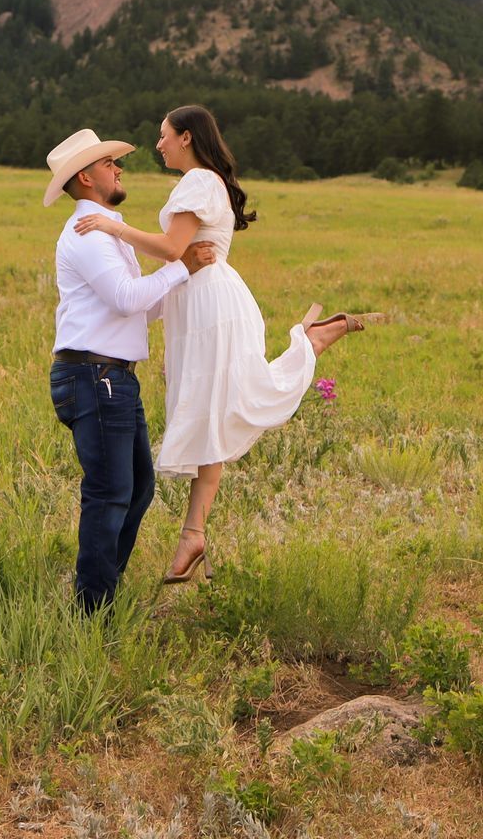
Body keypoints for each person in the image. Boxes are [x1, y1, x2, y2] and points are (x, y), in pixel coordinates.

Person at [74, 105, 364, 583]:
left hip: (210, 305)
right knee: (213, 413)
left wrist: (115, 226)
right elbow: (179, 257)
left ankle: (309, 342)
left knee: (231, 403)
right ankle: (193, 536)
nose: (158, 144)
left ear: (186, 137)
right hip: (195, 306)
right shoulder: (198, 183)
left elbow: (172, 250)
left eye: (164, 136)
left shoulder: (200, 182)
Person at [45, 128, 217, 612]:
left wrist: (188, 279)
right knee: (111, 493)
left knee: (136, 487)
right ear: (86, 176)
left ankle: (101, 595)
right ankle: (91, 611)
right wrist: (180, 265)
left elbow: (139, 308)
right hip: (95, 377)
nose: (118, 169)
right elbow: (125, 299)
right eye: (109, 164)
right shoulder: (89, 233)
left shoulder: (105, 229)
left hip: (109, 377)